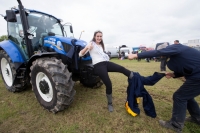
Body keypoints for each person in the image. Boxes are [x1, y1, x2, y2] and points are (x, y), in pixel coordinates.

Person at [128, 40, 200, 132]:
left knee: (179, 97)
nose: (160, 56)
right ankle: (197, 118)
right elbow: (186, 68)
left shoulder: (175, 47)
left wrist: (136, 55)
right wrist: (173, 74)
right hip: (195, 76)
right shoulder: (177, 54)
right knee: (187, 96)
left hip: (197, 77)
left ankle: (176, 125)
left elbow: (158, 52)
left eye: (161, 54)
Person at [79, 30, 134, 112]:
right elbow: (80, 54)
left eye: (100, 36)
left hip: (105, 63)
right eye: (97, 36)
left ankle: (133, 76)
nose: (99, 38)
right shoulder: (91, 44)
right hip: (98, 66)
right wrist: (87, 48)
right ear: (95, 37)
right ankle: (110, 104)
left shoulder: (101, 45)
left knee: (121, 68)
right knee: (108, 84)